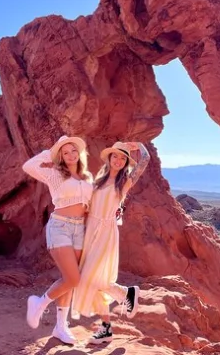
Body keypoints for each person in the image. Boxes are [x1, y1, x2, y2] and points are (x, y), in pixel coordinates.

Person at [71, 141, 151, 344]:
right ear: (109, 158)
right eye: (115, 156)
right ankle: (106, 327)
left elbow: (145, 160)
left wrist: (139, 145)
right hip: (90, 231)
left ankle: (126, 293)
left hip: (106, 232)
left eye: (123, 158)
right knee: (93, 282)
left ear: (125, 163)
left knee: (91, 277)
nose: (118, 160)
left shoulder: (123, 183)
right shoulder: (99, 180)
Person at [21, 135, 93, 344]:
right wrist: (49, 153)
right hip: (60, 226)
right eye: (65, 152)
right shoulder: (54, 174)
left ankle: (60, 327)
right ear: (60, 156)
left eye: (73, 150)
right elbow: (28, 166)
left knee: (68, 279)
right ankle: (39, 303)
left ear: (79, 153)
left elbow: (92, 204)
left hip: (79, 229)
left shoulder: (87, 177)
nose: (70, 155)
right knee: (73, 279)